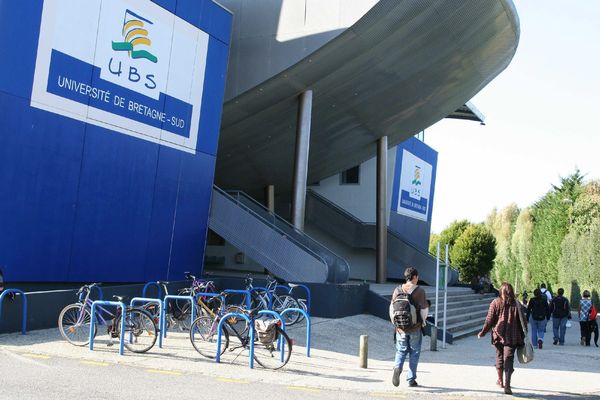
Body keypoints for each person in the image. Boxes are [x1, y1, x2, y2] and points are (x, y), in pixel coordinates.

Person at [478, 282, 525, 395]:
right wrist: (524, 335)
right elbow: (523, 322)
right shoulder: (517, 304)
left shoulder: (495, 302)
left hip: (498, 336)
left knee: (499, 357)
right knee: (509, 359)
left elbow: (489, 320)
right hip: (513, 337)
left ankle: (500, 380)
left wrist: (483, 332)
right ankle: (507, 385)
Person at [389, 267, 429, 388]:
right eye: (417, 277)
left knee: (401, 351)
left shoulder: (397, 290)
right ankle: (411, 379)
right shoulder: (420, 291)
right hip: (414, 328)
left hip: (400, 328)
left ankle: (397, 367)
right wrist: (422, 322)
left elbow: (391, 309)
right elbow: (424, 310)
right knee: (414, 353)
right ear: (415, 277)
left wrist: (396, 324)